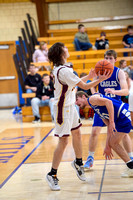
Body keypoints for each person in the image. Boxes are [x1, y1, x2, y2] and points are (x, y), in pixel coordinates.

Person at [45, 42, 111, 191]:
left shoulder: (64, 68)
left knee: (77, 133)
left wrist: (90, 76)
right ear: (61, 53)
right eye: (65, 48)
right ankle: (52, 174)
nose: (67, 49)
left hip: (70, 106)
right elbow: (86, 87)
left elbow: (75, 84)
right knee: (63, 142)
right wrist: (100, 79)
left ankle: (78, 163)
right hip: (63, 109)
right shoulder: (64, 71)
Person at [84, 49, 133, 169]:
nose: (108, 60)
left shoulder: (119, 72)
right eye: (106, 58)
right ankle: (90, 158)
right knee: (95, 131)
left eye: (110, 58)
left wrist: (113, 91)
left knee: (124, 134)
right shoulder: (99, 69)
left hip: (115, 107)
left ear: (115, 60)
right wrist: (94, 94)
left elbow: (126, 91)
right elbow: (91, 85)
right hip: (101, 105)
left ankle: (130, 157)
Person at [76, 91, 133, 177]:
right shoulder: (96, 109)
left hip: (123, 113)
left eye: (77, 99)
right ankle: (131, 167)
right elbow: (110, 127)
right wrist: (107, 146)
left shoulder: (92, 99)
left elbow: (108, 102)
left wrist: (112, 121)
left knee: (114, 142)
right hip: (121, 119)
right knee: (113, 143)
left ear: (83, 96)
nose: (76, 103)